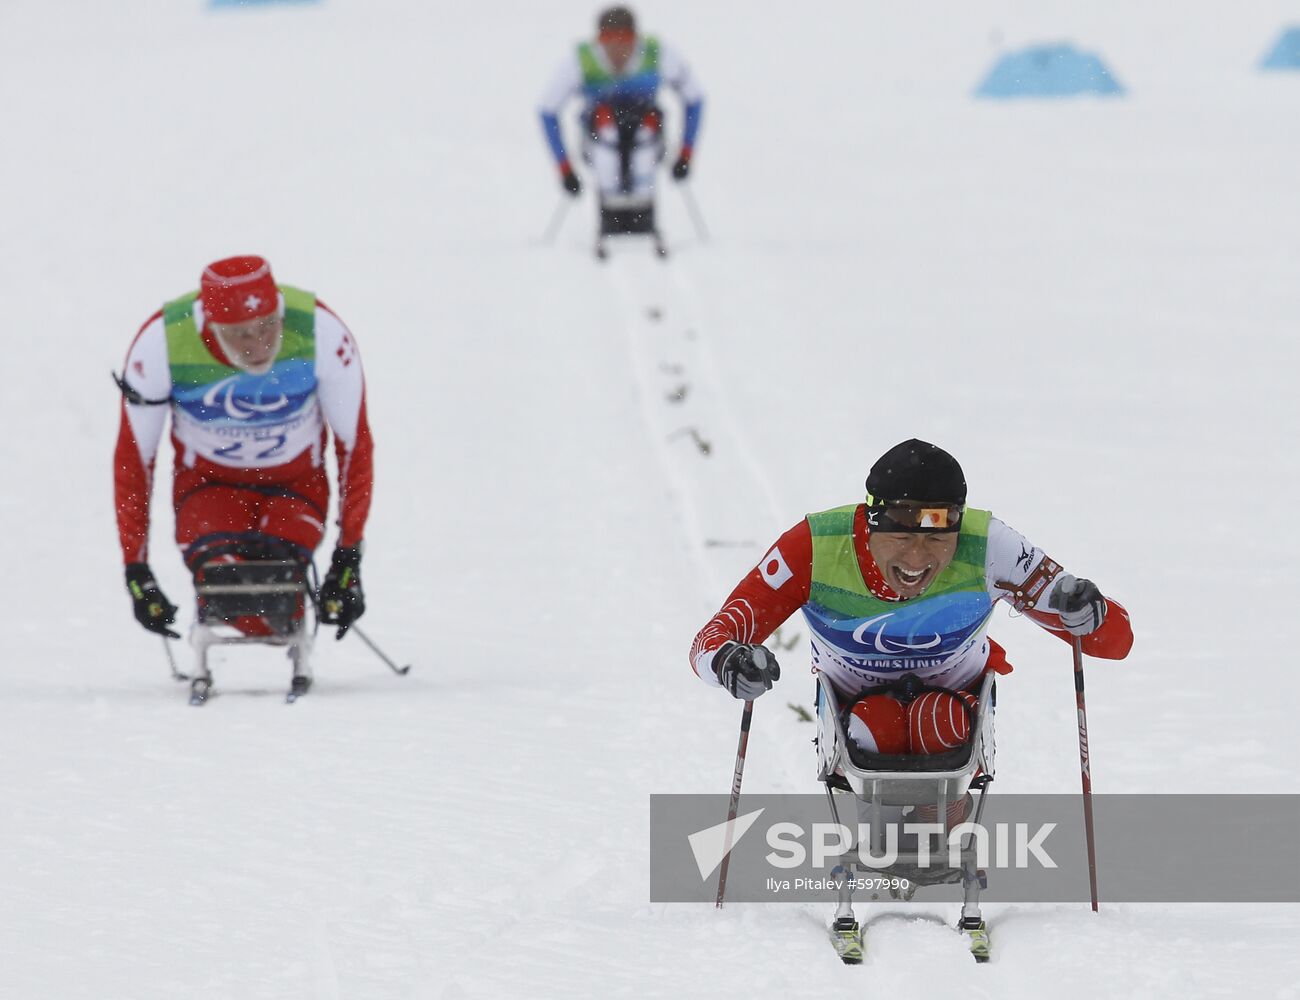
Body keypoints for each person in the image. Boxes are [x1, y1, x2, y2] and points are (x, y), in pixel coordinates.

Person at [689, 439, 1133, 757]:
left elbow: (1114, 642)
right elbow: (711, 640)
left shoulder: (989, 545)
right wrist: (730, 663)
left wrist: (1086, 612)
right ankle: (881, 842)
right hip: (850, 712)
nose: (917, 558)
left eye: (939, 539)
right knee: (873, 729)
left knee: (939, 722)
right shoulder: (814, 545)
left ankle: (938, 843)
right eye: (900, 535)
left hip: (955, 703)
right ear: (869, 523)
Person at [113, 255, 374, 643]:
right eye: (239, 333)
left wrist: (348, 556)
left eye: (269, 326)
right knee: (228, 586)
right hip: (209, 487)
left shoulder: (322, 332)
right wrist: (137, 568)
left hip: (296, 485)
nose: (258, 344)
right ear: (210, 324)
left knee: (277, 585)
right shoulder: (161, 343)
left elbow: (354, 446)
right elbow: (135, 459)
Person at [538, 5, 704, 251]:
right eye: (608, 40)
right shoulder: (580, 61)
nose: (617, 48)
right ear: (599, 41)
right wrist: (565, 168)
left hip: (647, 132)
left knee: (644, 132)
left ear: (636, 39)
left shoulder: (658, 54)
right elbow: (547, 109)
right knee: (607, 129)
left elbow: (694, 98)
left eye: (624, 40)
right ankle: (611, 210)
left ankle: (642, 208)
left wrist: (686, 153)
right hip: (600, 133)